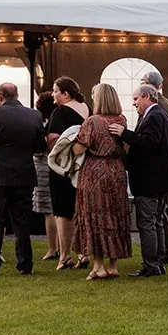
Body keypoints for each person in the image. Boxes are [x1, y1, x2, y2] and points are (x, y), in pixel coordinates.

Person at [0, 82, 45, 276]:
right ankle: (25, 264)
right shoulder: (34, 115)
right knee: (22, 222)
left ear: (0, 96)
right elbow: (40, 146)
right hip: (24, 173)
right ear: (17, 95)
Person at [114, 83, 168, 278]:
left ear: (147, 97)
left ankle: (151, 264)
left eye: (136, 99)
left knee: (148, 223)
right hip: (160, 179)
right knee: (157, 221)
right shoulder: (161, 115)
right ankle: (157, 263)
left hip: (150, 180)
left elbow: (149, 143)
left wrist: (124, 134)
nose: (134, 104)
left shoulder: (155, 116)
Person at [71, 83, 131, 280]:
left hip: (95, 171)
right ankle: (113, 264)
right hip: (116, 171)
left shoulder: (92, 121)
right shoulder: (121, 119)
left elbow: (78, 149)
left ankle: (98, 266)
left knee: (94, 215)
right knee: (114, 215)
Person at [139, 68, 168, 265]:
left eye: (143, 82)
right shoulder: (167, 104)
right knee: (166, 210)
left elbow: (154, 138)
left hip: (163, 163)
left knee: (163, 210)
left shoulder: (158, 107)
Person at [45, 77, 89, 269]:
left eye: (55, 91)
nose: (52, 94)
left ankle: (64, 256)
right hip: (82, 166)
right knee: (79, 210)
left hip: (63, 167)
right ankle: (83, 252)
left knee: (62, 212)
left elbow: (53, 139)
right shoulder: (86, 109)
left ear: (66, 94)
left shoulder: (59, 112)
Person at [32, 94, 56, 258]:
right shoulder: (58, 122)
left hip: (42, 166)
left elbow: (38, 149)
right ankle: (62, 247)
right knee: (58, 210)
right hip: (58, 166)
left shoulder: (41, 125)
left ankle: (52, 248)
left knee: (49, 210)